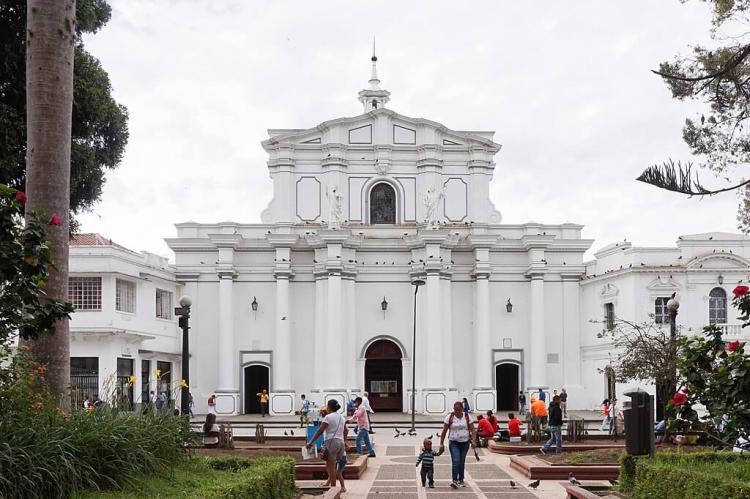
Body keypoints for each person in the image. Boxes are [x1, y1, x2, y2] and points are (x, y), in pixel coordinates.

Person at [306, 399, 346, 489]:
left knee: (331, 467)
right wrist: (345, 441)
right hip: (341, 442)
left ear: (329, 407)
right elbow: (346, 430)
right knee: (330, 465)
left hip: (331, 441)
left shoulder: (328, 417)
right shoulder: (342, 417)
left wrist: (311, 442)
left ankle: (333, 490)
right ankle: (330, 484)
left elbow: (320, 430)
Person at [439, 400, 476, 489]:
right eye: (455, 410)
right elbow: (444, 431)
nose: (457, 412)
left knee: (461, 462)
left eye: (459, 410)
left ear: (462, 409)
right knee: (456, 461)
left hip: (465, 443)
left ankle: (461, 479)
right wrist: (441, 443)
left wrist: (474, 441)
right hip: (453, 442)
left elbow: (473, 430)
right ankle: (454, 481)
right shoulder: (449, 417)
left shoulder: (467, 416)